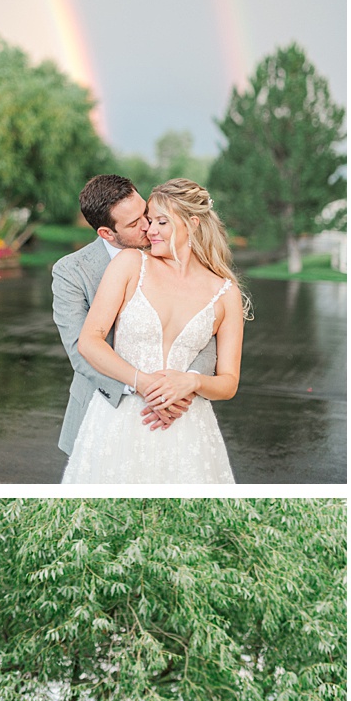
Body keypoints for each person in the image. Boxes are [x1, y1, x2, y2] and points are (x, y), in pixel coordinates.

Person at [60, 179, 244, 484]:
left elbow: (228, 382)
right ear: (107, 232)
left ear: (193, 224)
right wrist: (145, 385)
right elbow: (88, 342)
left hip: (187, 424)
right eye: (146, 221)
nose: (150, 230)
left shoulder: (226, 293)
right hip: (119, 418)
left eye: (160, 221)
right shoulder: (130, 263)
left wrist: (191, 383)